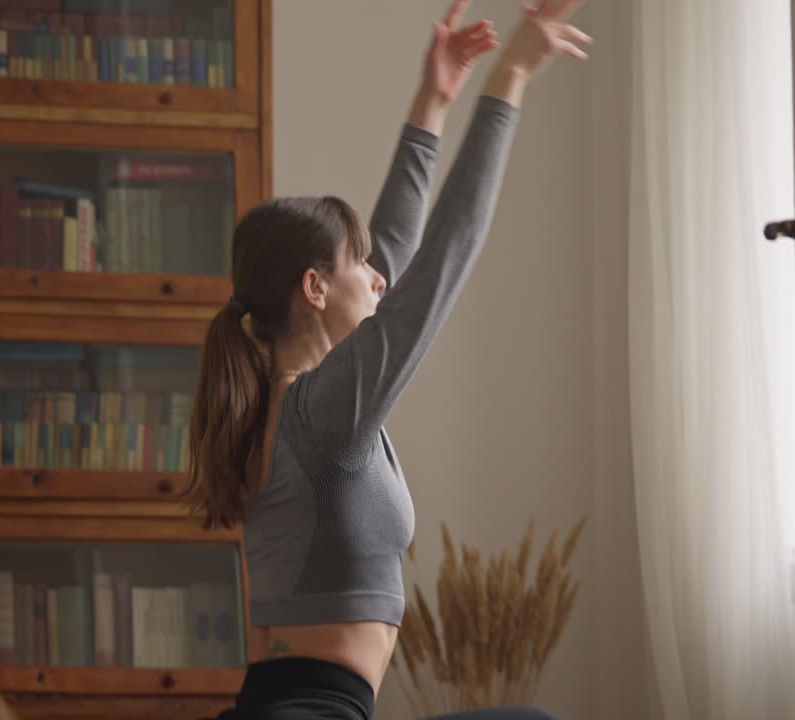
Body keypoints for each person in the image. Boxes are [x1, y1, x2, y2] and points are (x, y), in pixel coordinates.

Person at [185, 2, 591, 718]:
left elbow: (396, 255)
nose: (379, 279)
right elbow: (444, 253)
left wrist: (433, 100)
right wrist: (512, 74)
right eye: (358, 265)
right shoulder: (321, 414)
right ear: (314, 289)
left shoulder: (279, 405)